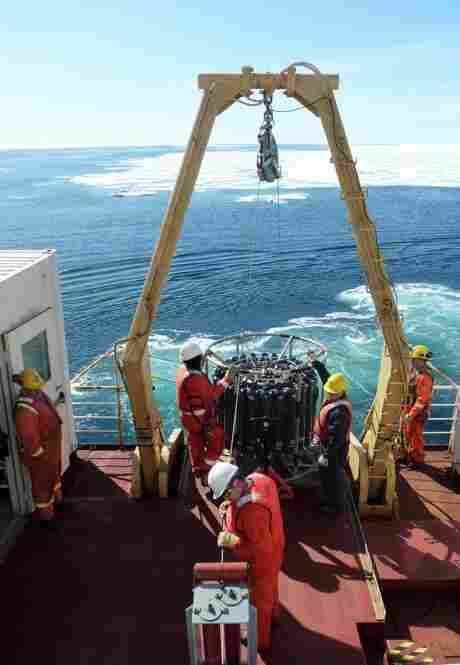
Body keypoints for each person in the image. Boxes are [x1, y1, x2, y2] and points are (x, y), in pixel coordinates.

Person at [208, 461, 285, 651]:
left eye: (226, 494)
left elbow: (259, 552)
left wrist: (231, 541)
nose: (225, 499)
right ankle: (274, 615)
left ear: (235, 484)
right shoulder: (259, 479)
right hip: (276, 543)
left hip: (263, 561)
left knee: (259, 601)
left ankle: (259, 642)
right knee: (271, 587)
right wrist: (229, 510)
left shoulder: (252, 514)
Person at [176, 341, 235, 482]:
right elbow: (212, 394)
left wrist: (201, 360)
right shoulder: (195, 379)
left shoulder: (182, 371)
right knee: (217, 437)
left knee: (195, 444)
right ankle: (206, 472)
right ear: (198, 359)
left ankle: (197, 469)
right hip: (199, 421)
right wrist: (228, 379)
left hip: (188, 420)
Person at [13, 368, 63, 525]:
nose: (39, 389)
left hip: (50, 448)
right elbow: (28, 436)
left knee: (53, 475)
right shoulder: (24, 409)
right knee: (41, 485)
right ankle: (47, 517)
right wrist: (38, 454)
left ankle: (58, 500)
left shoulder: (37, 396)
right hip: (40, 454)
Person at [312, 372, 352, 515]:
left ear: (340, 392)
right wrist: (317, 365)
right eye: (328, 391)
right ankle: (328, 499)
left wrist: (326, 456)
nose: (328, 394)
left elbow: (337, 439)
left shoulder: (339, 413)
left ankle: (335, 507)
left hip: (334, 452)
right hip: (330, 448)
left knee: (332, 478)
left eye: (331, 393)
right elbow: (327, 379)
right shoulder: (337, 397)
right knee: (327, 476)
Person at [402, 345, 434, 466]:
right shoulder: (418, 373)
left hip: (418, 414)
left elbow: (422, 400)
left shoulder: (425, 377)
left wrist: (410, 414)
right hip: (411, 410)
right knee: (409, 434)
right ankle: (410, 456)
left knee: (416, 438)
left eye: (415, 360)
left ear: (422, 361)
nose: (413, 362)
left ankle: (417, 461)